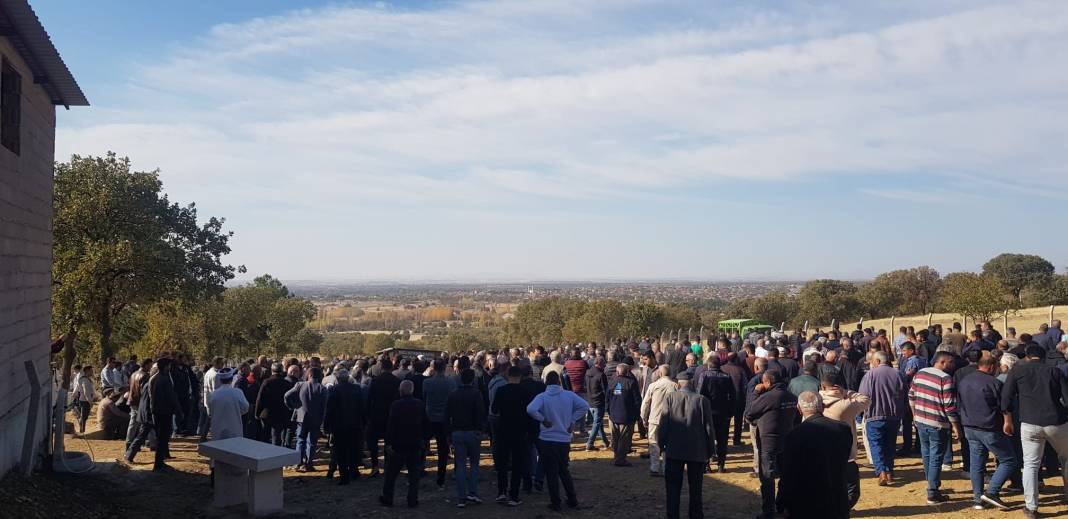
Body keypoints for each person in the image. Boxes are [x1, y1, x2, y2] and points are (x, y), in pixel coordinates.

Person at [1000, 344, 1068, 518]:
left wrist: (1007, 421)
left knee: (1031, 464)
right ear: (1043, 357)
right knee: (1066, 458)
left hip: (1029, 423)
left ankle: (1031, 506)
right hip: (1056, 422)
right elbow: (1067, 399)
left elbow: (1006, 399)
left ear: (1027, 357)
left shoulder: (1017, 371)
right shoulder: (1054, 371)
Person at [957, 355, 1018, 510]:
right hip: (989, 428)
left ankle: (978, 499)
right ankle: (992, 491)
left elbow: (959, 403)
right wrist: (1008, 422)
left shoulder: (964, 380)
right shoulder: (994, 383)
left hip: (970, 427)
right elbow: (1004, 405)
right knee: (1009, 460)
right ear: (991, 367)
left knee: (976, 464)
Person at [779, 391, 853, 519]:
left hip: (806, 504)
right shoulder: (843, 429)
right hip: (837, 501)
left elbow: (788, 474)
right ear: (823, 407)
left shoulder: (794, 435)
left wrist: (781, 502)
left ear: (799, 409)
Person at [526, 370, 588, 512]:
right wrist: (572, 420)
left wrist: (542, 419)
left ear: (546, 383)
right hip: (563, 439)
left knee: (551, 472)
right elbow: (584, 406)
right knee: (563, 470)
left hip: (547, 439)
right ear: (560, 382)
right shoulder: (569, 395)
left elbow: (530, 409)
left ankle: (556, 502)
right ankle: (572, 499)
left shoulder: (542, 397)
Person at [657, 370, 715, 519]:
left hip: (674, 450)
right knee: (696, 488)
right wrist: (710, 451)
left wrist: (661, 444)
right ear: (693, 384)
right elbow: (709, 428)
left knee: (672, 489)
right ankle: (696, 515)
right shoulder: (702, 400)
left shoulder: (670, 398)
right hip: (696, 450)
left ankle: (672, 515)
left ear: (678, 385)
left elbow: (663, 424)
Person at [908, 351, 963, 505]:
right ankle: (932, 491)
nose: (953, 365)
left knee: (926, 454)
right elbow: (949, 407)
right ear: (943, 362)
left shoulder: (920, 373)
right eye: (951, 362)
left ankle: (931, 484)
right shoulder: (946, 379)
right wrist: (956, 426)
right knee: (936, 457)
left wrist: (914, 415)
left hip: (921, 420)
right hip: (937, 424)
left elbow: (911, 395)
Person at [746, 369, 798, 519]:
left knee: (767, 477)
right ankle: (783, 506)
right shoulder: (792, 397)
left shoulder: (769, 397)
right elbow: (796, 418)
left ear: (768, 382)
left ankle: (768, 510)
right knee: (785, 476)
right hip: (786, 440)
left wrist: (756, 393)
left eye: (763, 382)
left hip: (768, 442)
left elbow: (749, 412)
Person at [819, 372, 869, 511]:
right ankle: (841, 509)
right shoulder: (846, 404)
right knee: (851, 488)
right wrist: (846, 392)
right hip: (845, 453)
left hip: (823, 452)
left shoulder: (816, 401)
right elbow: (866, 400)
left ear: (823, 386)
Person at [491, 365, 537, 506]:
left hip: (503, 430)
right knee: (518, 464)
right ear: (520, 377)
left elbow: (494, 409)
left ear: (508, 376)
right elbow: (530, 413)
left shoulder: (501, 390)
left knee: (503, 463)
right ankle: (514, 494)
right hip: (520, 431)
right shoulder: (526, 392)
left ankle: (501, 492)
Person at [380, 380, 430, 508]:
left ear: (401, 391)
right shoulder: (419, 404)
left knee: (391, 474)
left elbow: (391, 425)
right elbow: (425, 424)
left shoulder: (396, 405)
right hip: (415, 443)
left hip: (398, 444)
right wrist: (424, 439)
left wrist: (388, 443)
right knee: (414, 475)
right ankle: (412, 499)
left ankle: (388, 497)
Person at [859, 351, 906, 486]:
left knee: (876, 444)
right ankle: (889, 471)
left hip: (874, 415)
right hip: (894, 416)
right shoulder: (898, 374)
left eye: (872, 361)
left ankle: (881, 472)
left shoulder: (870, 375)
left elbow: (863, 396)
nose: (871, 364)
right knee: (890, 444)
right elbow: (905, 394)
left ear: (878, 361)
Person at [445, 368, 486, 507]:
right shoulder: (476, 394)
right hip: (473, 432)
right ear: (472, 379)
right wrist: (481, 430)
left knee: (460, 465)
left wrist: (448, 434)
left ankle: (461, 497)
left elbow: (447, 416)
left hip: (457, 432)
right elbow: (480, 413)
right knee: (474, 464)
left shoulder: (453, 394)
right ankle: (472, 493)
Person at [323, 368, 366, 485]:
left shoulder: (333, 390)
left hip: (339, 426)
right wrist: (364, 422)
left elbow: (329, 410)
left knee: (341, 451)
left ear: (337, 378)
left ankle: (344, 476)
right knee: (353, 449)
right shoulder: (357, 389)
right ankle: (354, 472)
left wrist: (326, 426)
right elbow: (362, 408)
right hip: (355, 424)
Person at [696, 355, 735, 472]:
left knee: (706, 438)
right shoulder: (727, 377)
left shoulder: (704, 375)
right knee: (722, 439)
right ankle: (721, 465)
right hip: (723, 413)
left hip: (707, 412)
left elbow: (699, 393)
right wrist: (730, 412)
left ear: (708, 365)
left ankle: (707, 465)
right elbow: (733, 396)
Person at [147, 357, 184, 472]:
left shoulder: (153, 378)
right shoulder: (164, 379)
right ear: (165, 366)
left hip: (156, 411)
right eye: (168, 365)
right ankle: (159, 464)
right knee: (163, 437)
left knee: (160, 436)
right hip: (164, 412)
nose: (170, 367)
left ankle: (161, 460)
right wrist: (179, 411)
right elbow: (171, 397)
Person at [366, 358, 400, 477]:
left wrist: (368, 415)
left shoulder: (375, 381)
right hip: (391, 415)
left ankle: (375, 466)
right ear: (391, 368)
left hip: (376, 414)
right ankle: (387, 465)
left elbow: (369, 398)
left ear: (381, 368)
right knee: (389, 442)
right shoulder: (397, 381)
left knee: (374, 443)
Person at [289, 366, 327, 471]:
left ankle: (298, 463)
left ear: (309, 375)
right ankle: (309, 464)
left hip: (301, 417)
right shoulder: (322, 388)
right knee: (312, 442)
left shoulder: (300, 385)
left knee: (300, 440)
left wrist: (293, 406)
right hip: (315, 419)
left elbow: (287, 396)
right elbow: (324, 406)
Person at [641, 365, 677, 476]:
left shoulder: (653, 385)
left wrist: (643, 417)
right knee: (668, 444)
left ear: (660, 374)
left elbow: (645, 403)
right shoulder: (675, 386)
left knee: (653, 443)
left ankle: (654, 467)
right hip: (670, 419)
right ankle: (666, 467)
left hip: (654, 418)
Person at [607, 362, 641, 467]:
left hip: (613, 414)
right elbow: (637, 400)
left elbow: (607, 399)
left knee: (615, 437)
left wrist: (608, 411)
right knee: (624, 438)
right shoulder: (631, 382)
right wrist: (637, 414)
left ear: (617, 371)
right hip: (627, 415)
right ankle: (620, 459)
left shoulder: (612, 382)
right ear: (627, 372)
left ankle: (617, 456)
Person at [256, 363, 294, 446]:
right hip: (280, 413)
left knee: (265, 435)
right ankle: (276, 454)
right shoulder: (286, 383)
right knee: (276, 437)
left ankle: (264, 455)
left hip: (267, 413)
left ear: (272, 371)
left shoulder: (266, 382)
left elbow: (260, 398)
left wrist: (257, 413)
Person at [583, 356, 610, 451]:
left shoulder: (587, 373)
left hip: (590, 401)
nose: (605, 365)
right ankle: (590, 444)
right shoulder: (601, 374)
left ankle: (606, 442)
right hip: (599, 402)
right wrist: (607, 402)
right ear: (600, 363)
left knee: (598, 423)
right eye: (604, 364)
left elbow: (585, 386)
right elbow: (606, 390)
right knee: (597, 423)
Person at [70, 365, 95, 435]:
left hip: (83, 400)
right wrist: (90, 402)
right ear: (87, 371)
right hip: (85, 401)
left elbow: (77, 389)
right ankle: (82, 431)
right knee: (84, 416)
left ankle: (82, 430)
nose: (92, 372)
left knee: (84, 416)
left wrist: (74, 394)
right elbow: (86, 392)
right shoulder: (85, 380)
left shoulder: (84, 379)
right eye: (91, 371)